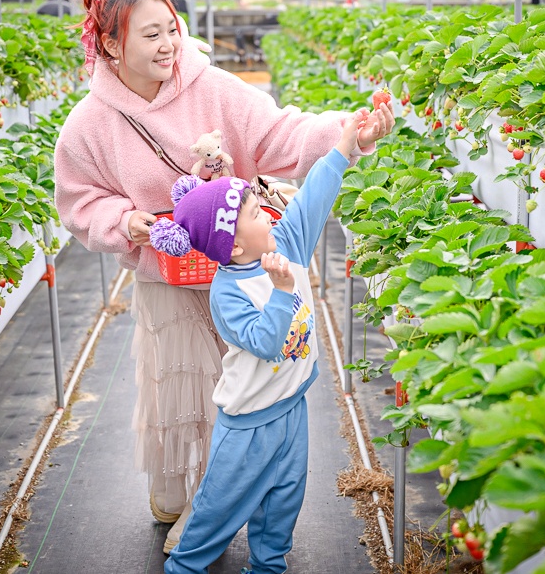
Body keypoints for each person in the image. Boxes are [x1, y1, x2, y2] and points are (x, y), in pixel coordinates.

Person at [52, 0, 394, 555]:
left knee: (233, 388)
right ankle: (176, 490)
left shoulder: (212, 88)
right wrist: (127, 222)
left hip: (238, 271)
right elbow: (80, 200)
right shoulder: (89, 124)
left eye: (172, 31)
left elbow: (280, 133)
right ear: (112, 45)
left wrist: (349, 131)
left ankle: (206, 511)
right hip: (168, 272)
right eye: (151, 35)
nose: (167, 46)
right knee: (178, 388)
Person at [152, 109, 380, 574]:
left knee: (284, 499)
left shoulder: (286, 245)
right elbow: (265, 342)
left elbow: (312, 200)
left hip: (291, 403)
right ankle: (186, 566)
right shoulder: (228, 292)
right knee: (217, 509)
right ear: (233, 246)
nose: (268, 212)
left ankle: (268, 565)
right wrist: (280, 294)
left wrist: (345, 144)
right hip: (248, 423)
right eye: (256, 212)